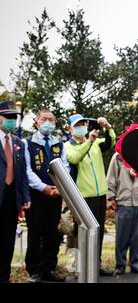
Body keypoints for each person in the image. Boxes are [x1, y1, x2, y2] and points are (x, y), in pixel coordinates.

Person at [65, 113, 116, 276]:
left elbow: (110, 142)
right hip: (82, 197)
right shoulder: (68, 146)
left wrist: (107, 127)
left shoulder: (96, 143)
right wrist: (89, 141)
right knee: (80, 233)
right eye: (78, 125)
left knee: (98, 231)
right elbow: (74, 158)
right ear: (70, 128)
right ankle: (79, 267)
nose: (82, 127)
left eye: (83, 124)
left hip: (100, 194)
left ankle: (96, 264)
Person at [23, 109, 70, 283]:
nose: (47, 122)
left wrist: (58, 187)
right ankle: (34, 270)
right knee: (36, 233)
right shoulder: (27, 143)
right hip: (36, 196)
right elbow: (27, 170)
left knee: (53, 233)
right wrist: (43, 187)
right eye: (44, 119)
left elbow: (65, 167)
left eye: (51, 119)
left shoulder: (59, 144)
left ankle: (49, 268)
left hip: (56, 195)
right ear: (36, 122)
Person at [107, 152, 138, 275]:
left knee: (137, 235)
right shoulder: (117, 157)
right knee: (122, 235)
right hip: (123, 200)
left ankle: (136, 264)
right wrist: (111, 197)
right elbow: (111, 177)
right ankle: (120, 264)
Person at [0, 101, 30, 283]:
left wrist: (25, 196)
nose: (12, 120)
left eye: (14, 117)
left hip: (12, 199)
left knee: (7, 242)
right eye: (8, 117)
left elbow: (23, 173)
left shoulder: (19, 143)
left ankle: (4, 276)